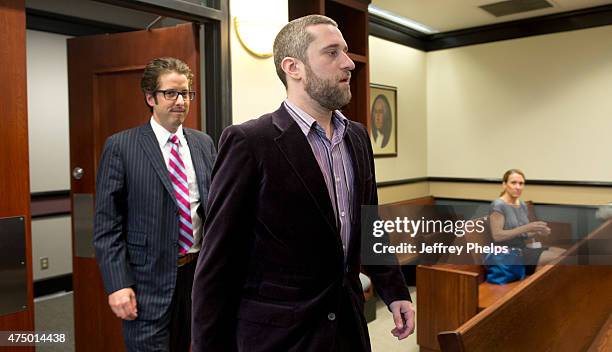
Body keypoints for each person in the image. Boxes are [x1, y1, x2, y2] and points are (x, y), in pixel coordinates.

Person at [191, 14, 414, 352]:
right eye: (332, 53)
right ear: (293, 67)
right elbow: (218, 260)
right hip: (279, 337)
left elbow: (370, 224)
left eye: (347, 52)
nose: (348, 63)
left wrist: (395, 290)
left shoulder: (357, 137)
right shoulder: (250, 142)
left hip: (348, 329)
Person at [93, 57, 216, 351]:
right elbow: (106, 226)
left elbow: (213, 210)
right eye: (171, 93)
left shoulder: (203, 143)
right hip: (147, 283)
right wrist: (118, 284)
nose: (181, 101)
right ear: (151, 97)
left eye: (186, 93)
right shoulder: (122, 147)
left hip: (197, 277)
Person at [488, 169, 565, 281]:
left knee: (565, 254)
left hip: (522, 248)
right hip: (508, 254)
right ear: (504, 185)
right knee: (557, 258)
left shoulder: (522, 205)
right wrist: (527, 227)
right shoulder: (498, 205)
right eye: (513, 183)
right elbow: (497, 236)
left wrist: (537, 231)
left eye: (521, 183)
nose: (518, 187)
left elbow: (522, 234)